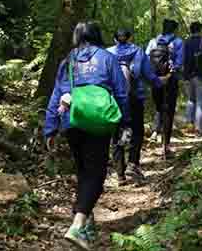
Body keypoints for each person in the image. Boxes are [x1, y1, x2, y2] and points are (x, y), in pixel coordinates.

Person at [44, 21, 130, 250]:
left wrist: (50, 128)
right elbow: (121, 93)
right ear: (97, 36)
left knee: (84, 170)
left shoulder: (68, 61)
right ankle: (78, 224)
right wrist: (125, 122)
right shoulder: (108, 58)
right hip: (99, 121)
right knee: (96, 173)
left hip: (71, 120)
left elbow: (56, 94)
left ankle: (85, 226)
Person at [107, 28, 168, 183]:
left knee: (116, 132)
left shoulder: (108, 53)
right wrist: (160, 82)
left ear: (114, 39)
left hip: (113, 99)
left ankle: (120, 174)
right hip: (135, 97)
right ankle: (132, 164)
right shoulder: (138, 51)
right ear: (130, 38)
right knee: (137, 132)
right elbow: (148, 74)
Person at [146, 19, 184, 159]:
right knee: (169, 111)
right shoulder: (178, 42)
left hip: (155, 81)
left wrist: (153, 78)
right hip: (170, 80)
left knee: (159, 108)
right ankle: (165, 147)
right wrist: (169, 75)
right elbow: (179, 63)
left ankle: (156, 132)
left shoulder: (153, 42)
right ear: (174, 29)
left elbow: (145, 60)